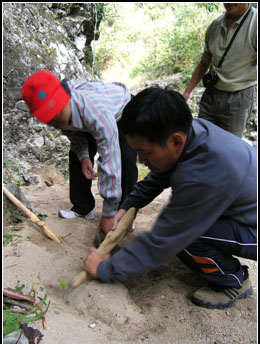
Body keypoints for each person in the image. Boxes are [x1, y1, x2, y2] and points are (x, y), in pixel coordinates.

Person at [83, 86, 257, 310]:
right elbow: (159, 176)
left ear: (175, 142)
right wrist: (128, 205)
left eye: (145, 151)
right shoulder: (190, 132)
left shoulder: (203, 174)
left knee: (187, 235)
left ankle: (234, 281)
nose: (140, 160)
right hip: (245, 209)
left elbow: (165, 238)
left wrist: (105, 268)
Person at [21, 70, 138, 234]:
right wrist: (84, 157)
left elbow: (110, 157)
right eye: (48, 119)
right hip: (84, 117)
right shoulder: (59, 112)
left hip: (121, 109)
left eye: (56, 116)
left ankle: (122, 213)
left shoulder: (95, 110)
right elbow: (74, 134)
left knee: (125, 158)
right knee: (76, 156)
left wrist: (108, 212)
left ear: (66, 100)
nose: (53, 122)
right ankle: (83, 207)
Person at [183, 3, 257, 138]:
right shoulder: (215, 25)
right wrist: (187, 92)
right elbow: (205, 61)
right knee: (202, 139)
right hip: (212, 93)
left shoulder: (255, 23)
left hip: (239, 97)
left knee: (229, 147)